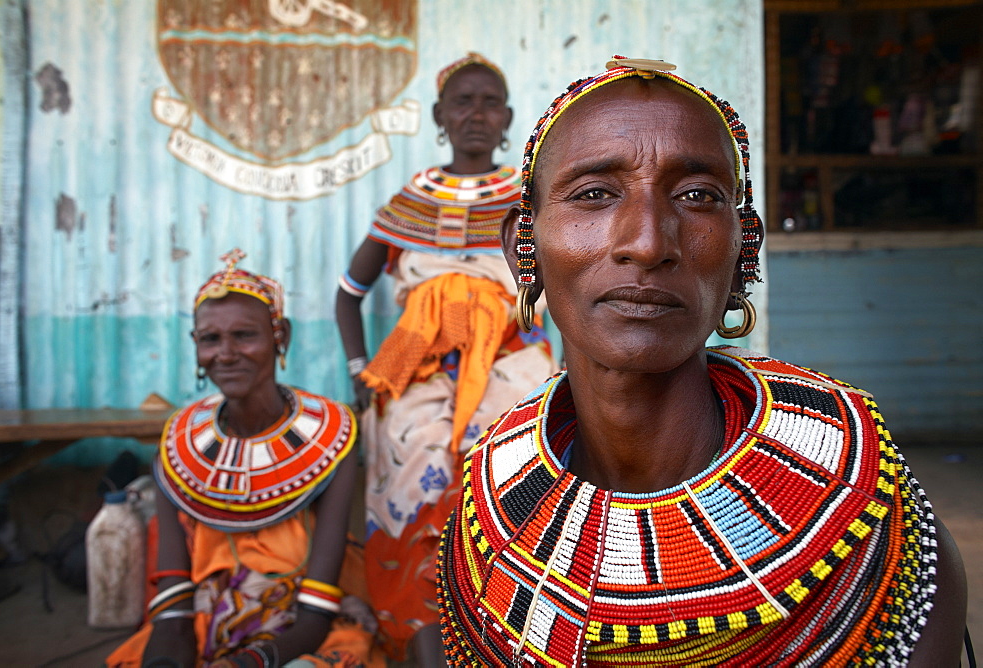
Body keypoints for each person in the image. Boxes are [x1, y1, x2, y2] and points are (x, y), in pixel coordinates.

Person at [437, 58, 969, 666]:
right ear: (522, 247)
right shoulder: (486, 529)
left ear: (745, 246)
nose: (648, 241)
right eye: (594, 194)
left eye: (697, 196)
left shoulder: (869, 527)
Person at [335, 53, 559, 665]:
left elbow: (561, 286)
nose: (477, 113)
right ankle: (429, 645)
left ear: (509, 117)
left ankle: (515, 636)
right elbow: (348, 297)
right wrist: (360, 368)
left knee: (513, 494)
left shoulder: (531, 198)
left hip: (512, 365)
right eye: (463, 101)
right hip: (415, 373)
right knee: (416, 493)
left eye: (490, 102)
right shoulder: (409, 202)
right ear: (440, 116)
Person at [108, 249, 383, 668]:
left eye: (245, 335)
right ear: (196, 346)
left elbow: (315, 613)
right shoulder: (178, 447)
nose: (226, 354)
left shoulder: (332, 437)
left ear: (281, 337)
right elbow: (175, 608)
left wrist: (248, 663)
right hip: (207, 622)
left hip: (307, 628)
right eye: (211, 339)